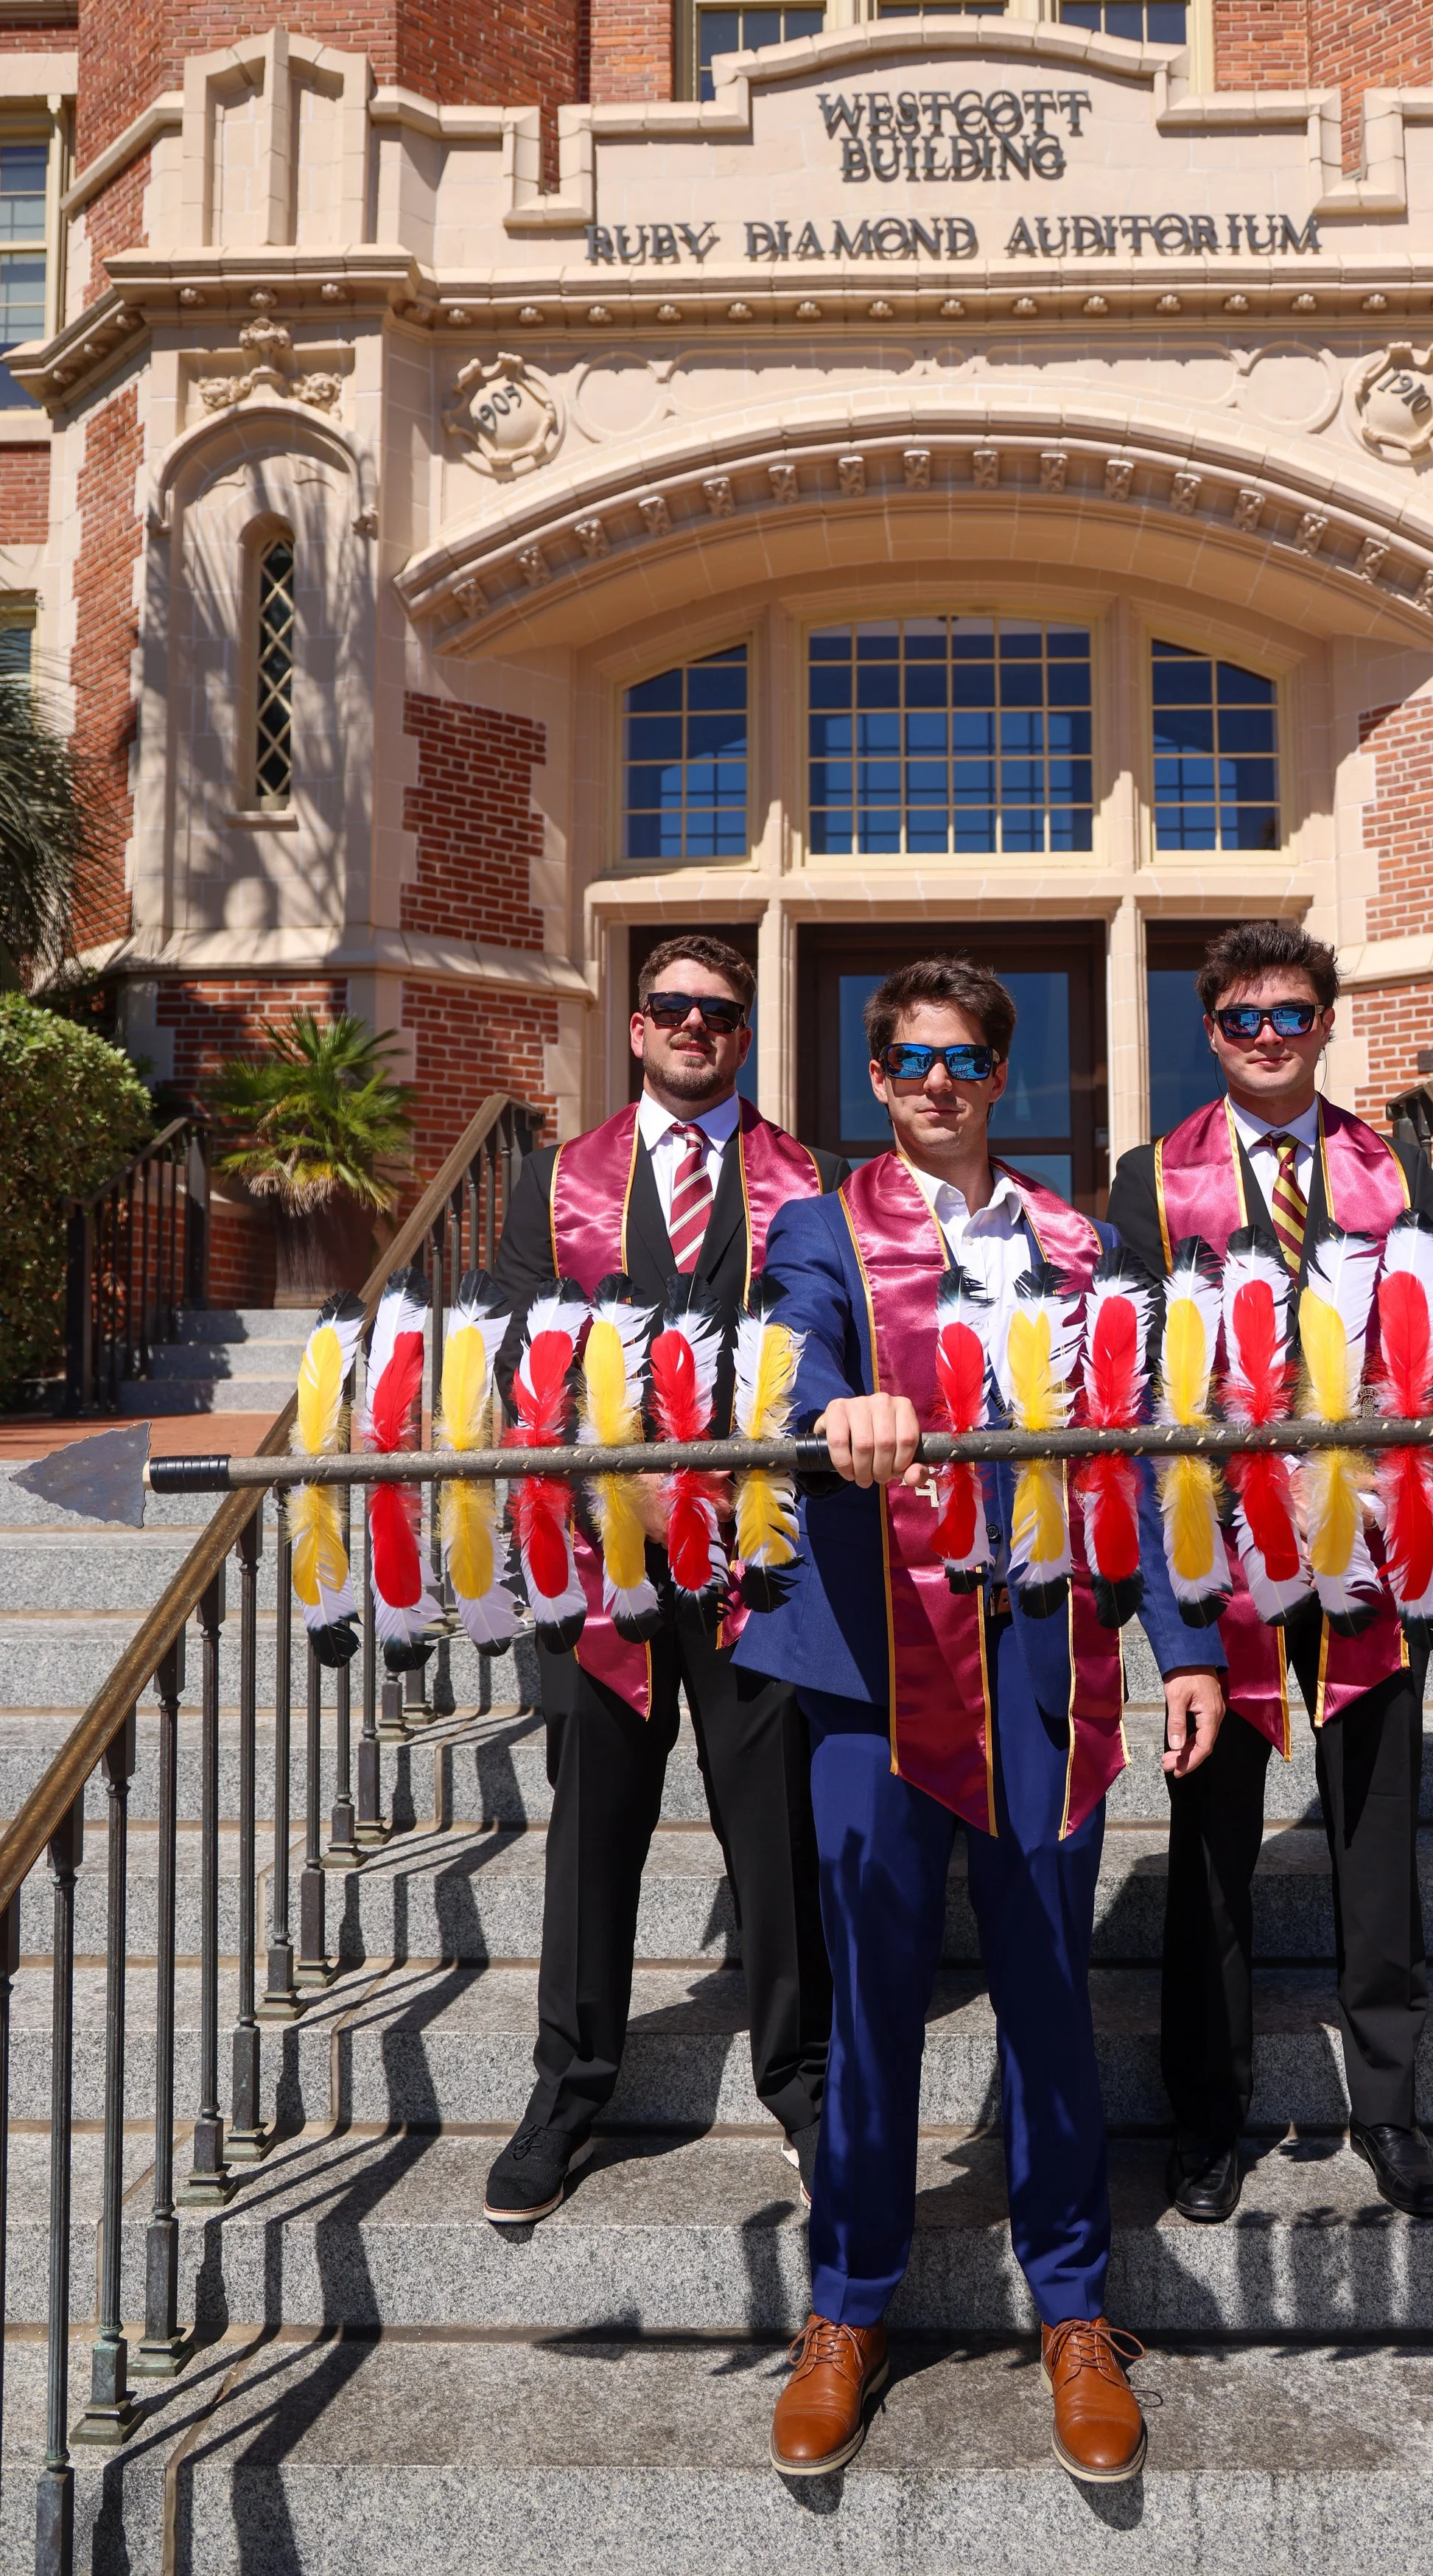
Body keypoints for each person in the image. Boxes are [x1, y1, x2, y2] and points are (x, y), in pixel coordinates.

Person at [737, 955, 1226, 2486]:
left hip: (1040, 1662)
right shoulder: (817, 1228)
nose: (933, 1080)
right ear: (871, 1076)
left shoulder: (1081, 1246)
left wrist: (1186, 1644)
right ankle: (847, 2301)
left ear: (995, 1074)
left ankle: (1073, 2304)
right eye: (905, 1059)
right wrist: (833, 1407)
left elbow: (1142, 1455)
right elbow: (793, 1347)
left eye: (960, 1056)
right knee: (872, 1995)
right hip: (872, 1673)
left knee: (1045, 1992)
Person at [483, 934, 842, 2225]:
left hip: (757, 1558)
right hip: (604, 1560)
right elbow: (522, 1334)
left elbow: (824, 1338)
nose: (698, 1027)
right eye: (675, 1008)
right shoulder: (552, 1179)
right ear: (636, 1029)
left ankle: (804, 2084)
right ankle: (568, 2092)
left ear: (745, 1037)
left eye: (722, 1014)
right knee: (593, 1833)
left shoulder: (808, 1179)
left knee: (777, 1832)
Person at [1108, 920, 1433, 2231]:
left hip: (1367, 1555)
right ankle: (1207, 2116)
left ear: (1326, 1023)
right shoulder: (1150, 1183)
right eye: (1242, 1018)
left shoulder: (1397, 1169)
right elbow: (1127, 1393)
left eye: (1290, 1014)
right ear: (1210, 1033)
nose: (1267, 1036)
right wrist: (1169, 1608)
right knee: (1211, 1850)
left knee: (1379, 1843)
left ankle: (1392, 2109)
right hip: (1221, 1558)